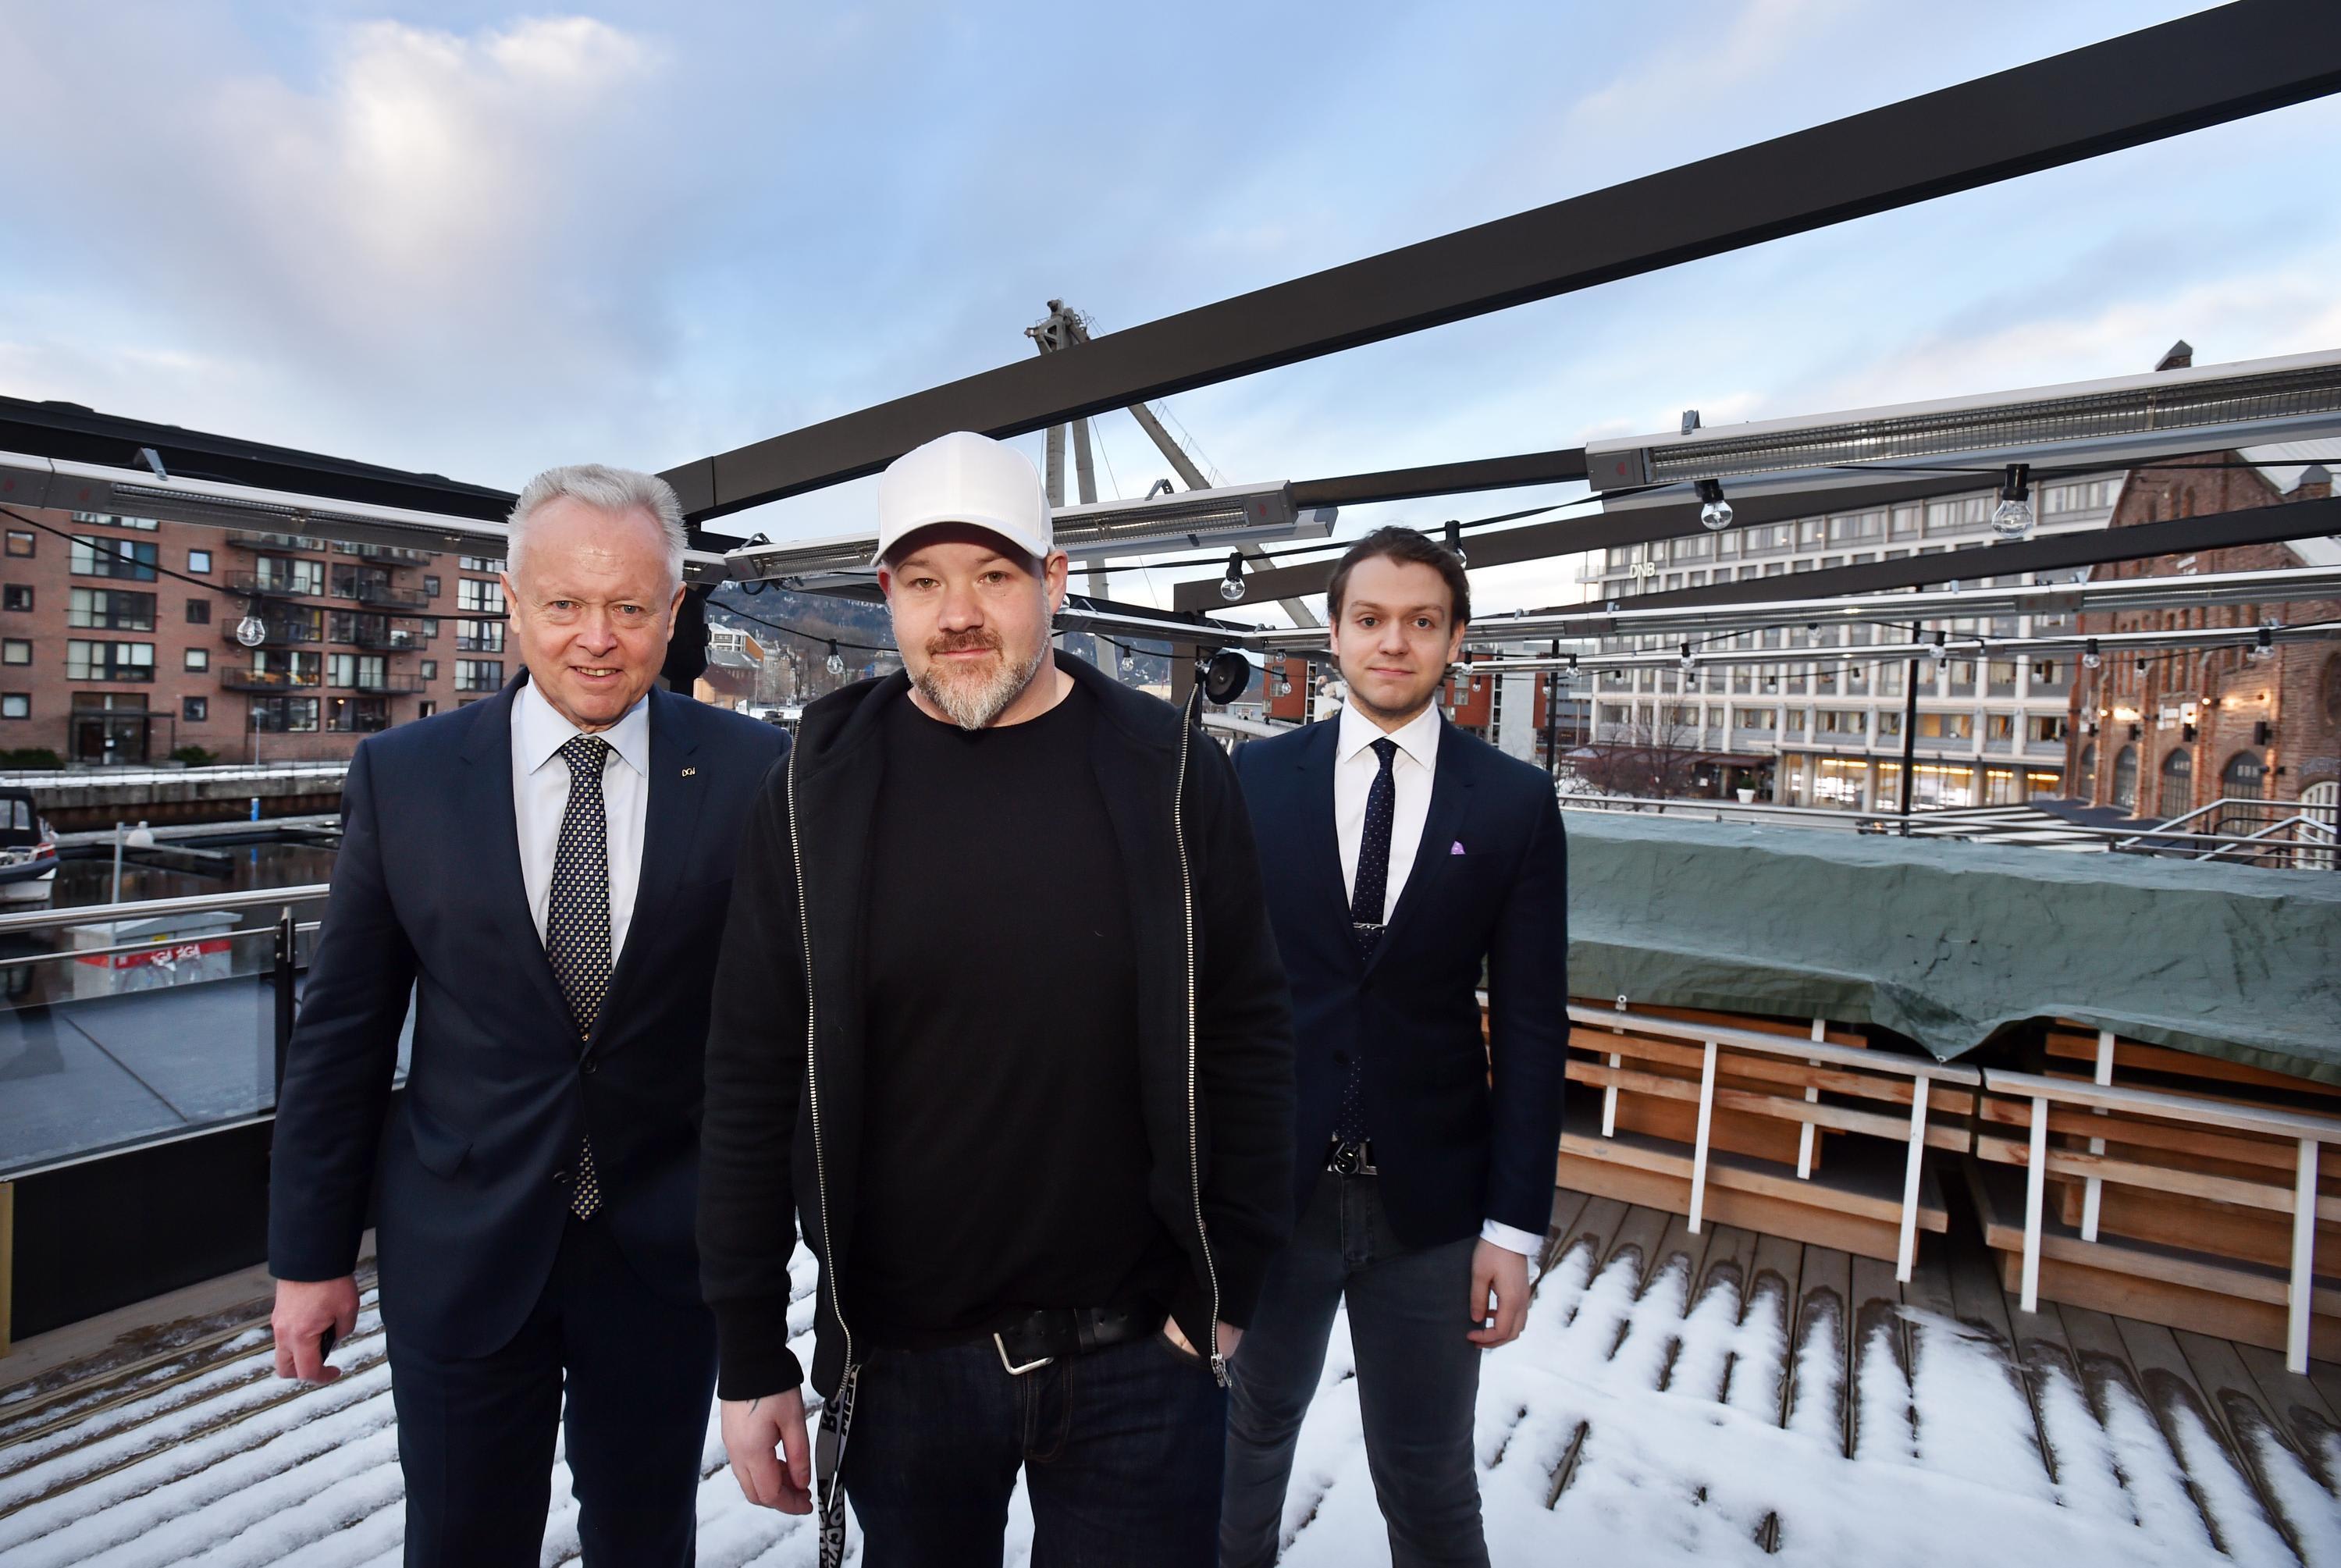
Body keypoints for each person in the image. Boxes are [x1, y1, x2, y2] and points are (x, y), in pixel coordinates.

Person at [698, 430, 1294, 1567]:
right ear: (887, 594)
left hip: (1141, 1353)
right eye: (925, 582)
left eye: (993, 575)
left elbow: (1250, 1037)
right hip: (903, 1362)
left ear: (1053, 582)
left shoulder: (1171, 773)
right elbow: (750, 1073)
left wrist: (1227, 1290)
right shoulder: (815, 790)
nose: (959, 613)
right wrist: (750, 1348)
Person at [267, 465, 788, 1566]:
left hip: (663, 1254)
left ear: (673, 609)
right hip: (462, 1243)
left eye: (629, 606)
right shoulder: (404, 776)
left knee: (646, 1539)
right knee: (461, 1538)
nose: (597, 638)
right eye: (564, 603)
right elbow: (345, 1032)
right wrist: (311, 1257)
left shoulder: (758, 773)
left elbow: (790, 1031)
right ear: (512, 602)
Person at [1222, 525, 1567, 1568]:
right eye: (1370, 619)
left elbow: (1533, 1023)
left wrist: (1514, 1228)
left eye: (1422, 621)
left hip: (1432, 1209)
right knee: (1238, 1456)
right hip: (1269, 1198)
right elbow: (1208, 997)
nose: (1394, 642)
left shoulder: (1513, 802)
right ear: (1333, 633)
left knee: (1428, 1478)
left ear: (1456, 640)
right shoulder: (1251, 780)